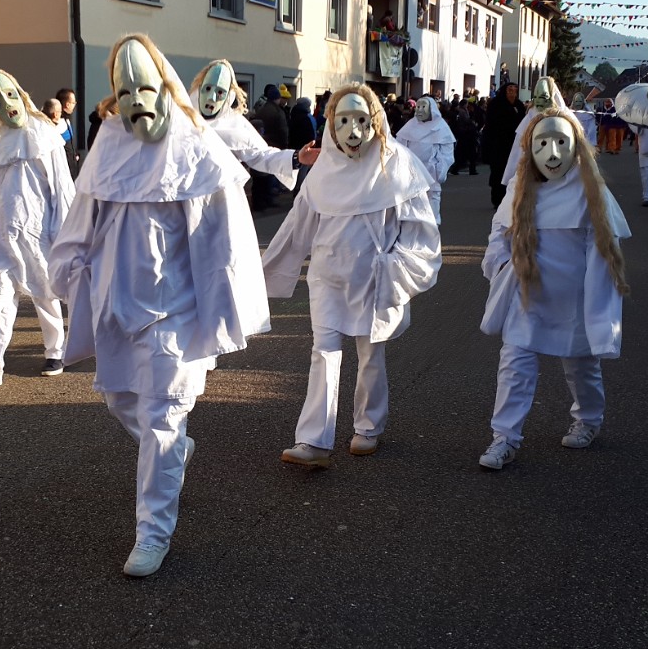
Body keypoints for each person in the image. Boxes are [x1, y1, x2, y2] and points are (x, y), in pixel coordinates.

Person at [48, 35, 270, 578]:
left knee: (163, 417)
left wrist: (226, 306)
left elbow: (226, 241)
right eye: (125, 92)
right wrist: (67, 270)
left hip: (176, 312)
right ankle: (173, 453)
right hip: (117, 306)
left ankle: (153, 532)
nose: (136, 102)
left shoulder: (197, 149)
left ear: (166, 88)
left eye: (145, 89)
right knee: (122, 402)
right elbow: (80, 221)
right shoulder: (107, 146)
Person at [262, 84, 441, 468]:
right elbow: (297, 226)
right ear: (331, 123)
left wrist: (398, 267)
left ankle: (368, 426)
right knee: (323, 352)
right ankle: (314, 440)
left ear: (374, 121)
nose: (352, 131)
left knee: (369, 353)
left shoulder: (397, 165)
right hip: (327, 277)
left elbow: (420, 230)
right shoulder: (323, 170)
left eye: (360, 120)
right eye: (343, 121)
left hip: (372, 278)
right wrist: (262, 271)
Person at [477, 109, 630, 470]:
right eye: (543, 143)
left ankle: (588, 419)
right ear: (530, 148)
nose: (553, 153)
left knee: (581, 367)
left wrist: (598, 313)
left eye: (561, 142)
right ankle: (505, 437)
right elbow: (499, 234)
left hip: (574, 301)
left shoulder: (590, 193)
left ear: (576, 146)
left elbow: (602, 254)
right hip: (528, 296)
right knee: (514, 365)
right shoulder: (519, 189)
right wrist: (503, 265)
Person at [0, 70, 74, 387]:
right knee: (0, 299)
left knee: (46, 294)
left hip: (39, 232)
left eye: (9, 95)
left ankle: (56, 351)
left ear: (20, 93)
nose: (6, 103)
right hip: (2, 235)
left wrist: (65, 235)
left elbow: (62, 188)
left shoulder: (43, 134)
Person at [188, 60, 317, 200]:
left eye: (220, 92)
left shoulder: (235, 125)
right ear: (199, 88)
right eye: (207, 88)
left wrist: (296, 158)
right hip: (185, 200)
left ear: (229, 96)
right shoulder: (182, 121)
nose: (212, 98)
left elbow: (261, 154)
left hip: (219, 201)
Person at [394, 95, 454, 223]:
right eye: (418, 107)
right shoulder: (410, 126)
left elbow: (447, 153)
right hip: (412, 174)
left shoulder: (441, 127)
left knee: (432, 209)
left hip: (431, 173)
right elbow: (399, 148)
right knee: (412, 208)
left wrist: (439, 169)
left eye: (423, 107)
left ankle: (432, 228)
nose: (420, 110)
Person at [482, 82, 526, 207]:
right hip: (498, 144)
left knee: (514, 171)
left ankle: (511, 199)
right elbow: (491, 124)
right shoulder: (496, 104)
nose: (512, 92)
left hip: (514, 144)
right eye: (509, 89)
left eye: (514, 90)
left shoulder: (519, 105)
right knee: (498, 172)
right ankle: (497, 199)